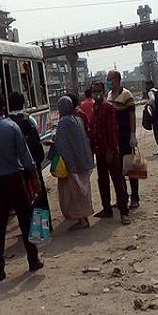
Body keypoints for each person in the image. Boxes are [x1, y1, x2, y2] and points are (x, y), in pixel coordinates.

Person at [0, 93, 44, 281]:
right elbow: (25, 155)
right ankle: (33, 259)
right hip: (14, 178)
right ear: (3, 109)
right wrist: (34, 176)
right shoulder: (11, 127)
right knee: (25, 219)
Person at [89, 82, 130, 223]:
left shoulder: (108, 107)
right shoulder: (95, 108)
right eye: (94, 91)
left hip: (109, 151)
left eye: (98, 91)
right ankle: (107, 209)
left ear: (104, 92)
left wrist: (112, 150)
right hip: (99, 151)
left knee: (118, 181)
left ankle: (124, 212)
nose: (96, 94)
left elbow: (113, 131)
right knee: (103, 181)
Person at [7, 91, 50, 221]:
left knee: (24, 196)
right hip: (33, 162)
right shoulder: (29, 118)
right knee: (38, 192)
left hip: (17, 166)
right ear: (23, 103)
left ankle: (30, 226)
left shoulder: (7, 122)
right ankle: (43, 225)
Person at [54, 96, 95, 230]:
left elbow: (63, 145)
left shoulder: (63, 123)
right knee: (83, 191)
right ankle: (84, 217)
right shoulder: (77, 120)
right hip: (83, 162)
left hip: (71, 165)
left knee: (74, 193)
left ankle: (82, 220)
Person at [105, 70, 140, 216]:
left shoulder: (127, 95)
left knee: (131, 168)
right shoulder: (108, 96)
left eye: (110, 79)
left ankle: (135, 197)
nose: (108, 82)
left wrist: (133, 135)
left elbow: (132, 116)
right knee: (117, 170)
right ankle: (122, 197)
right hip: (114, 138)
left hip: (126, 136)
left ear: (117, 80)